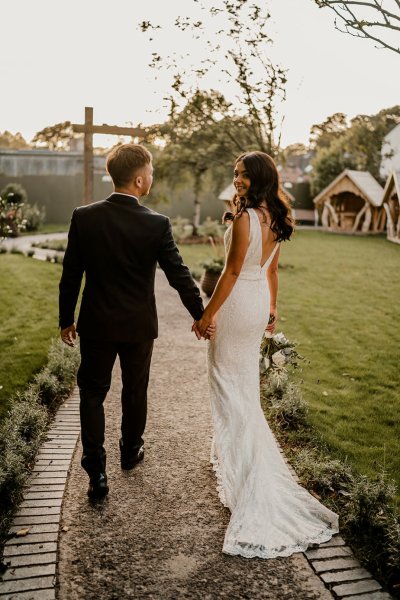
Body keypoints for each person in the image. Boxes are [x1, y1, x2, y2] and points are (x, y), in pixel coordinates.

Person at [194, 151, 339, 558]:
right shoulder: (278, 216)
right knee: (243, 386)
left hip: (239, 302)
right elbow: (271, 269)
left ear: (257, 178)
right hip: (257, 304)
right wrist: (272, 308)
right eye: (234, 172)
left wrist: (207, 313)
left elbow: (233, 271)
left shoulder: (244, 219)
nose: (236, 179)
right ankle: (240, 460)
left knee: (226, 383)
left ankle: (247, 476)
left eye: (242, 174)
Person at [59, 143, 213, 499]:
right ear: (140, 180)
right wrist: (200, 314)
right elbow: (179, 274)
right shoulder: (156, 224)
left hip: (96, 323)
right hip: (138, 326)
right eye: (152, 173)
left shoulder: (84, 217)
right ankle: (130, 451)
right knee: (135, 388)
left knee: (93, 394)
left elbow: (71, 275)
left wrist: (67, 318)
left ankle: (96, 472)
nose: (153, 178)